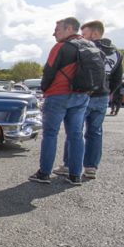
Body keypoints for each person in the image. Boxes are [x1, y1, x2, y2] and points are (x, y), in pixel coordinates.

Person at [53, 20, 122, 179]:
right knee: (95, 132)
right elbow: (118, 78)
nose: (82, 37)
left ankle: (69, 165)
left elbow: (75, 71)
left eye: (84, 34)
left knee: (74, 131)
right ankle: (91, 167)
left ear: (95, 33)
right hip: (103, 96)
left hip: (84, 95)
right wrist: (107, 91)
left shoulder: (87, 48)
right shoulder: (117, 53)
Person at [29, 17, 91, 186]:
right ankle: (75, 175)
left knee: (50, 134)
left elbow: (48, 71)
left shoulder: (61, 47)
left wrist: (45, 89)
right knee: (76, 135)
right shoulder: (89, 46)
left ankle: (44, 173)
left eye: (57, 30)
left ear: (69, 29)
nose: (54, 33)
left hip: (58, 94)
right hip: (82, 96)